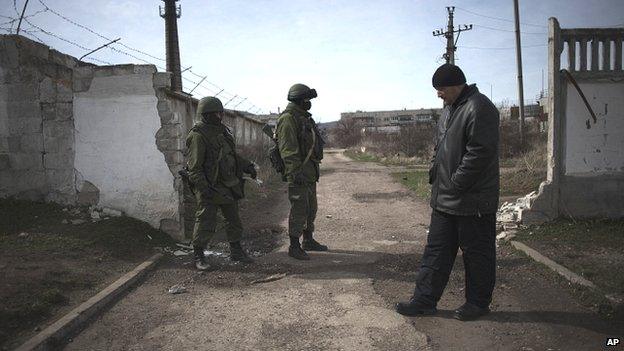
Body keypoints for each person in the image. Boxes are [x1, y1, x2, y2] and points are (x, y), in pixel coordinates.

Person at [396, 64, 500, 321]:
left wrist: (456, 182)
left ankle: (477, 304)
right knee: (436, 251)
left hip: (472, 200)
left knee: (477, 255)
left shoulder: (479, 107)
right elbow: (440, 147)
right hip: (445, 198)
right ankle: (424, 301)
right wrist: (435, 171)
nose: (438, 94)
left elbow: (480, 152)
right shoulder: (449, 110)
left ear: (456, 85)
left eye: (441, 89)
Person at [185, 96, 257, 270]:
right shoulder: (198, 135)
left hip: (227, 184)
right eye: (216, 113)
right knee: (205, 221)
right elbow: (195, 168)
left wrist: (247, 165)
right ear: (206, 115)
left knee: (233, 220)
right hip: (209, 186)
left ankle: (236, 251)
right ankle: (198, 255)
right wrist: (204, 188)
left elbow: (230, 155)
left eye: (220, 112)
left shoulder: (223, 131)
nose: (220, 116)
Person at [276, 83, 327, 260]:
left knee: (311, 208)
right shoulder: (289, 118)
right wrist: (295, 172)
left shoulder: (303, 117)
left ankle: (308, 240)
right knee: (299, 209)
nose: (309, 103)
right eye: (307, 99)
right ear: (300, 100)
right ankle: (294, 246)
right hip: (299, 173)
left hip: (309, 172)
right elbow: (288, 149)